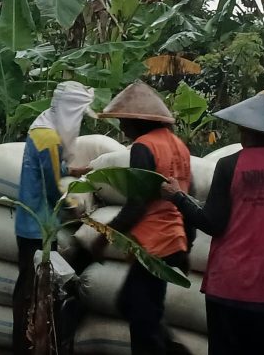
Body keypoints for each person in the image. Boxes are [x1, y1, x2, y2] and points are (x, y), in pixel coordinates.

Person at [162, 92, 264, 355]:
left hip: (228, 282)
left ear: (243, 127)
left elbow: (213, 223)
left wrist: (178, 197)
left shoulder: (229, 165)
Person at [94, 81, 193, 355]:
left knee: (137, 315)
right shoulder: (178, 146)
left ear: (139, 120)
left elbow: (137, 203)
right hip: (173, 241)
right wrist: (187, 246)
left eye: (125, 121)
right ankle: (170, 347)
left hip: (153, 247)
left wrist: (104, 236)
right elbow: (189, 198)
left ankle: (169, 350)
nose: (122, 128)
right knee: (143, 308)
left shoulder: (144, 147)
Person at [12, 81, 96, 355]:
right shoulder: (49, 138)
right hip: (40, 226)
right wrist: (78, 211)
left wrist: (73, 168)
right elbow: (54, 186)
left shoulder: (41, 128)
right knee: (33, 290)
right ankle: (27, 345)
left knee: (28, 285)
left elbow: (51, 168)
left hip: (31, 222)